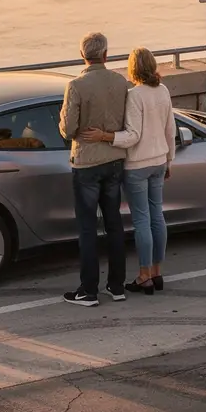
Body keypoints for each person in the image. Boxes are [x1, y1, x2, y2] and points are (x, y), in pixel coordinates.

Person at [80, 47, 175, 295]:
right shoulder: (163, 91)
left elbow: (133, 136)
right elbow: (170, 130)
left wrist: (105, 136)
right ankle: (157, 272)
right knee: (158, 216)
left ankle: (143, 276)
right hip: (158, 161)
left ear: (133, 68)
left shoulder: (135, 96)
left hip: (138, 166)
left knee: (142, 220)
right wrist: (169, 161)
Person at [59, 32, 130, 306]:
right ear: (106, 55)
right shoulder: (120, 82)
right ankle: (117, 285)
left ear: (82, 56)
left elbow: (68, 130)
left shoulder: (76, 85)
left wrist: (62, 120)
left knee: (88, 229)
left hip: (87, 163)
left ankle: (88, 290)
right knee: (114, 224)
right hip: (114, 160)